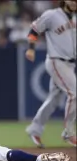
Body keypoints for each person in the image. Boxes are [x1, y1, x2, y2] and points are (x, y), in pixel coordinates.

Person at [25, 0, 76, 148]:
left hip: (70, 64)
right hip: (56, 61)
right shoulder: (52, 15)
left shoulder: (74, 18)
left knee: (54, 99)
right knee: (74, 93)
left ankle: (34, 129)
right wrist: (31, 48)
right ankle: (69, 132)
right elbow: (34, 29)